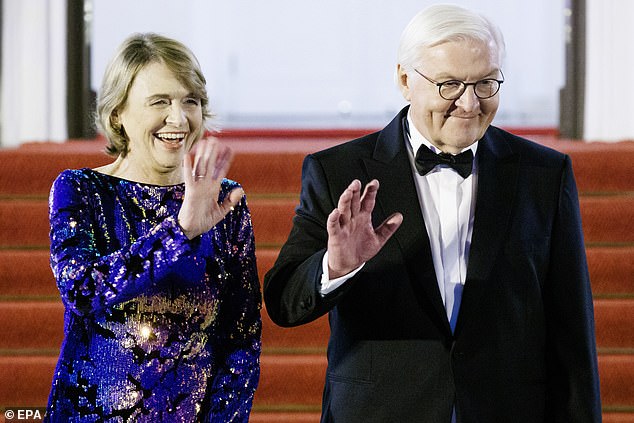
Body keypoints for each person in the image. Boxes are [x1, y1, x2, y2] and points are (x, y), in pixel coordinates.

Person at [263, 4, 601, 422]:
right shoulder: (338, 172)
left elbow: (572, 334)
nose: (469, 103)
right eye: (450, 85)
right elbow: (283, 302)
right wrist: (336, 266)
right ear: (405, 80)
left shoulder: (544, 174)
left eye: (486, 83)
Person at [44, 33, 261, 422]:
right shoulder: (80, 189)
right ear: (118, 114)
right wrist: (178, 232)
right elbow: (82, 289)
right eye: (159, 102)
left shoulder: (224, 200)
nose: (178, 119)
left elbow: (241, 339)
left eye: (190, 101)